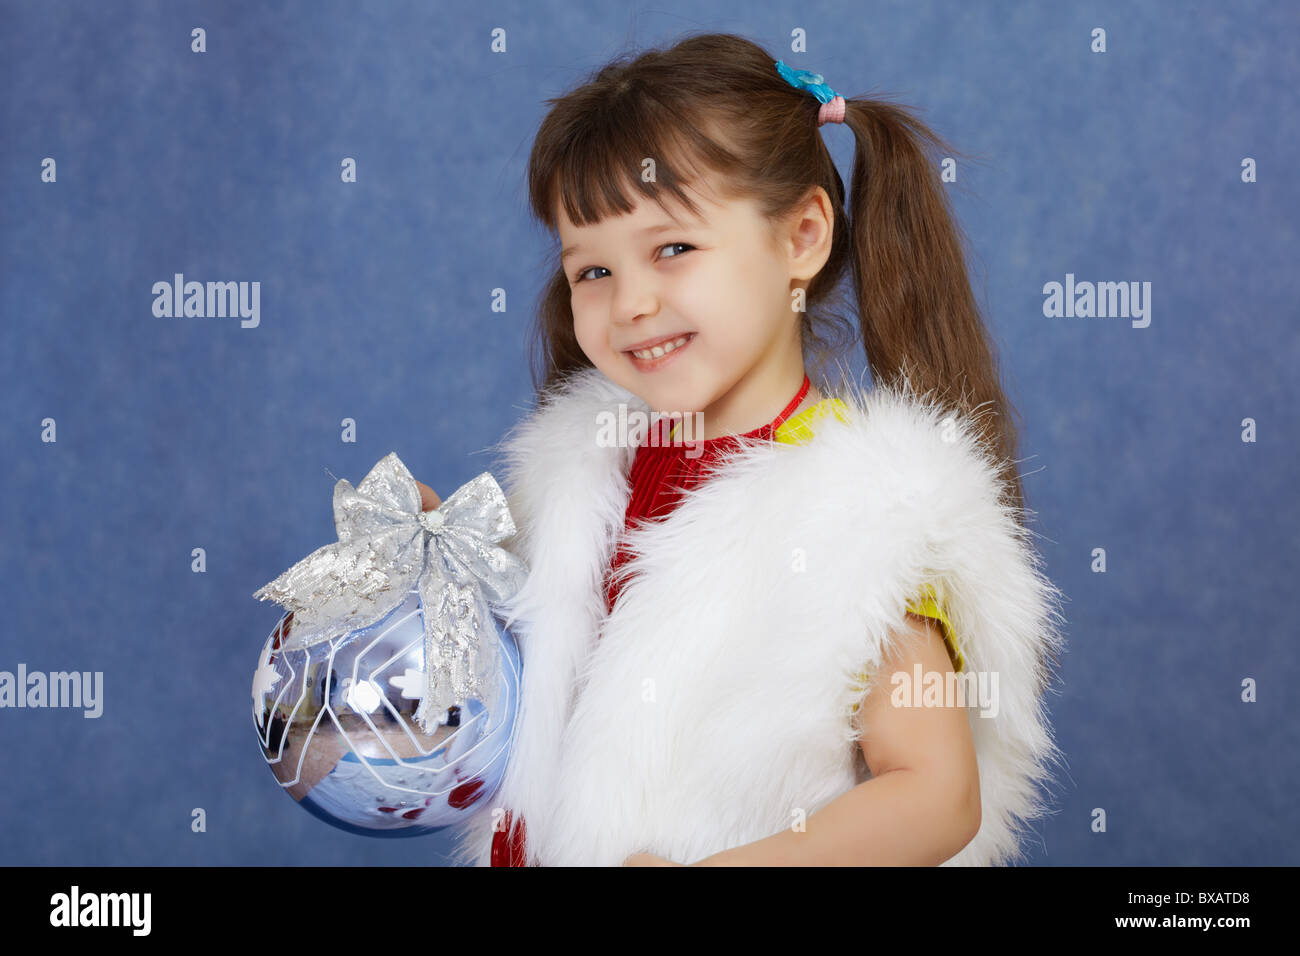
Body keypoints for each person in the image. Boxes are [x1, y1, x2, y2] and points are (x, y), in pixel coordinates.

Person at [426, 32, 1065, 866]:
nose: (631, 304)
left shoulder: (868, 510)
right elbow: (514, 705)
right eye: (592, 272)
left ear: (801, 236)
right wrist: (437, 592)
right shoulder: (581, 476)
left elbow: (936, 796)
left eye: (673, 249)